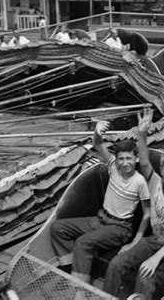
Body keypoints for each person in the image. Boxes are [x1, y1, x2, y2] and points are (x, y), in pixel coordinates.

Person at [103, 107, 164, 300]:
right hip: (152, 240)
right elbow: (144, 162)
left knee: (145, 277)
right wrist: (142, 134)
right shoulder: (155, 184)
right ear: (162, 170)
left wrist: (156, 258)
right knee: (116, 264)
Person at [50, 121, 151, 283]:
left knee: (83, 243)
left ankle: (79, 289)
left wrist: (135, 241)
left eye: (129, 159)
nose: (125, 163)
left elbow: (147, 213)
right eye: (121, 159)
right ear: (116, 159)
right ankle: (73, 269)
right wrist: (97, 130)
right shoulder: (113, 166)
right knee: (58, 228)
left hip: (120, 228)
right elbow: (97, 143)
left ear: (136, 158)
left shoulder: (139, 182)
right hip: (100, 219)